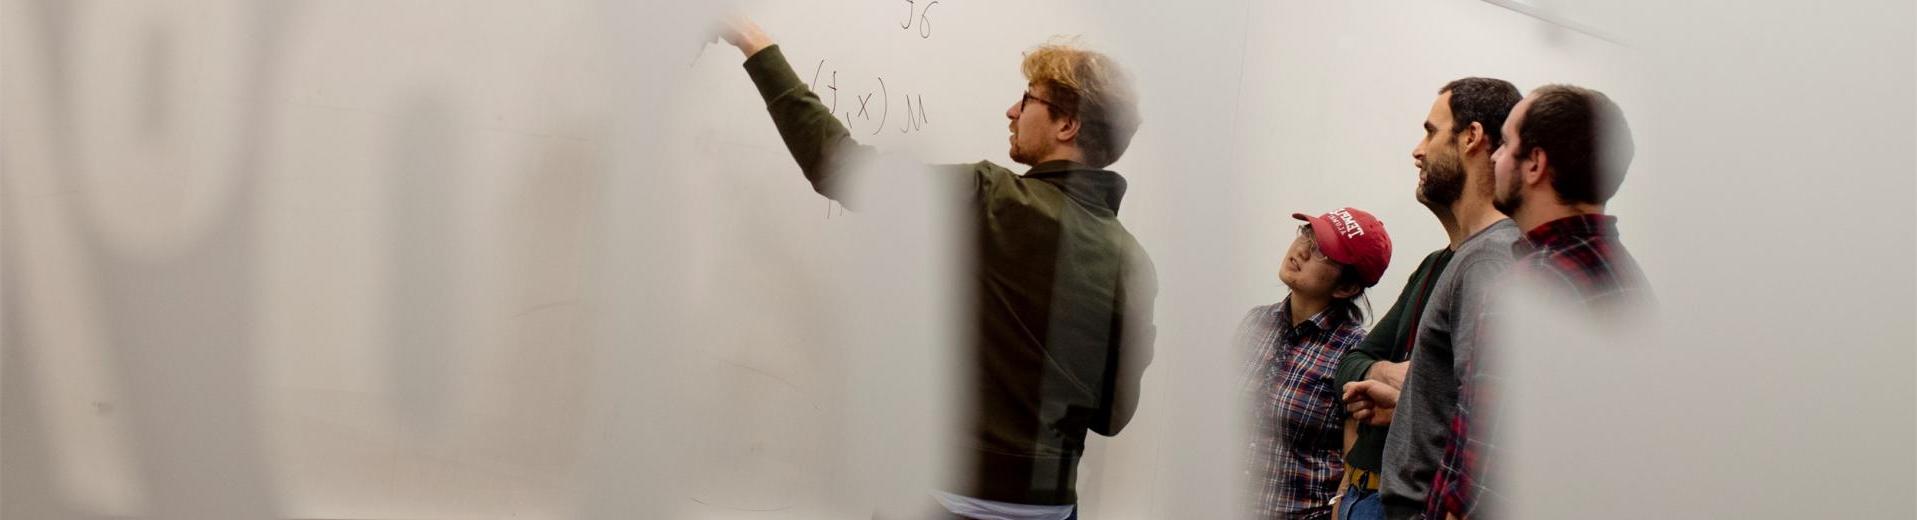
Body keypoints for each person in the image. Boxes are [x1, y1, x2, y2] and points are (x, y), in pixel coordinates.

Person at [719, 17, 1157, 520]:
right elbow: (1112, 416)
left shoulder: (992, 197)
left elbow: (837, 167)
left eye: (1028, 98)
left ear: (1066, 124)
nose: (1011, 110)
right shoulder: (1135, 264)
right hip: (1054, 508)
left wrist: (758, 46)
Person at [1427, 84, 1652, 520]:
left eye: (1507, 144)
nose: (1493, 158)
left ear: (1534, 163)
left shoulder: (1534, 285)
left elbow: (1484, 486)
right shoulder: (1627, 275)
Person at [1332, 78, 1521, 520]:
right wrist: (1408, 395)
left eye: (1432, 131)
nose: (1418, 150)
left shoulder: (1491, 260)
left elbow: (1493, 423)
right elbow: (1356, 359)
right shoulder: (1454, 260)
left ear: (1471, 137)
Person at [1240, 208, 1393, 519]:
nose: (1302, 250)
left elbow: (1354, 469)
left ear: (1346, 288)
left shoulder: (1354, 354)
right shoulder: (1256, 321)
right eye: (1307, 235)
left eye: (1322, 251)